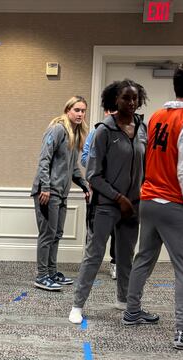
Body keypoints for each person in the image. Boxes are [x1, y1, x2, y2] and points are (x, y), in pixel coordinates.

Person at [121, 62, 183, 350]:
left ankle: (131, 312)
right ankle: (182, 331)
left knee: (144, 257)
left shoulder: (156, 116)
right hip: (172, 205)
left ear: (175, 86)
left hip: (148, 201)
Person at [69, 80, 148, 323]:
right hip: (105, 205)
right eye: (126, 98)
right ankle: (77, 305)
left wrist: (137, 196)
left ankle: (123, 299)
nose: (131, 102)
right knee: (94, 255)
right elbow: (93, 174)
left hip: (133, 205)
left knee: (126, 256)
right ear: (115, 100)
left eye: (135, 98)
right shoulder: (104, 130)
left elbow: (146, 166)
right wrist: (119, 198)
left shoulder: (142, 128)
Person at [31, 96, 90, 291]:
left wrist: (84, 186)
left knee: (56, 234)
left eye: (83, 110)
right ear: (68, 110)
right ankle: (41, 276)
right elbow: (44, 160)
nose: (80, 114)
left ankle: (51, 272)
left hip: (61, 194)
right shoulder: (57, 129)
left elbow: (73, 168)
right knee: (47, 234)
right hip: (48, 192)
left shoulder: (74, 133)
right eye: (77, 110)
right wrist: (45, 188)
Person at [81, 109, 118, 281]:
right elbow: (84, 158)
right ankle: (90, 264)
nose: (114, 114)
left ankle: (115, 263)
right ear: (105, 112)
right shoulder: (96, 132)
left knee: (118, 232)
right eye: (111, 110)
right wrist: (96, 171)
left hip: (119, 192)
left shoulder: (127, 132)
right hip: (98, 191)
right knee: (94, 229)